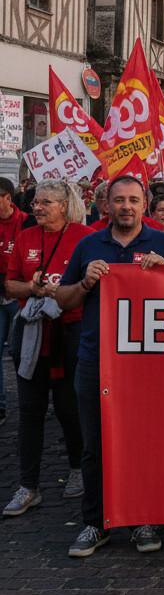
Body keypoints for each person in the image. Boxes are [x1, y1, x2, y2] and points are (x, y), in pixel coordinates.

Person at [57, 174, 164, 557]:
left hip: (149, 367)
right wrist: (84, 284)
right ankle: (95, 523)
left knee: (145, 442)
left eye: (133, 200)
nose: (126, 206)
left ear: (144, 205)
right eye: (119, 200)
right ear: (105, 205)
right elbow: (63, 300)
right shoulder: (88, 244)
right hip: (96, 361)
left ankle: (145, 517)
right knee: (94, 445)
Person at [2, 180, 90, 518]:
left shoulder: (84, 235)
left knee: (69, 407)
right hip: (32, 333)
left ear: (64, 206)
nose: (38, 207)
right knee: (29, 410)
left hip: (71, 331)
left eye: (46, 202)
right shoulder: (25, 238)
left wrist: (59, 292)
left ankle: (77, 468)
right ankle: (28, 485)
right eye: (36, 202)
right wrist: (32, 287)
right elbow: (10, 284)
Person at [0, 177, 27, 425]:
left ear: (8, 198)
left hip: (21, 298)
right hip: (1, 295)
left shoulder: (25, 222)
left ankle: (28, 399)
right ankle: (1, 405)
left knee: (21, 353)